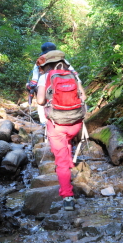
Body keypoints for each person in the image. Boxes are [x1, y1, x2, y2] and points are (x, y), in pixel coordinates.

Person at [36, 50, 87, 211]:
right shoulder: (72, 74)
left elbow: (40, 101)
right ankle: (71, 162)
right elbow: (83, 97)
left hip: (57, 124)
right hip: (75, 122)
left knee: (61, 162)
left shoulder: (45, 77)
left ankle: (67, 197)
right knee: (68, 140)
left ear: (47, 64)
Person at [26, 42, 81, 126]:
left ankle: (44, 122)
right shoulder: (64, 62)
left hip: (49, 95)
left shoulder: (39, 62)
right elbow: (76, 76)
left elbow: (34, 81)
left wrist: (29, 87)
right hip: (68, 96)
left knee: (41, 93)